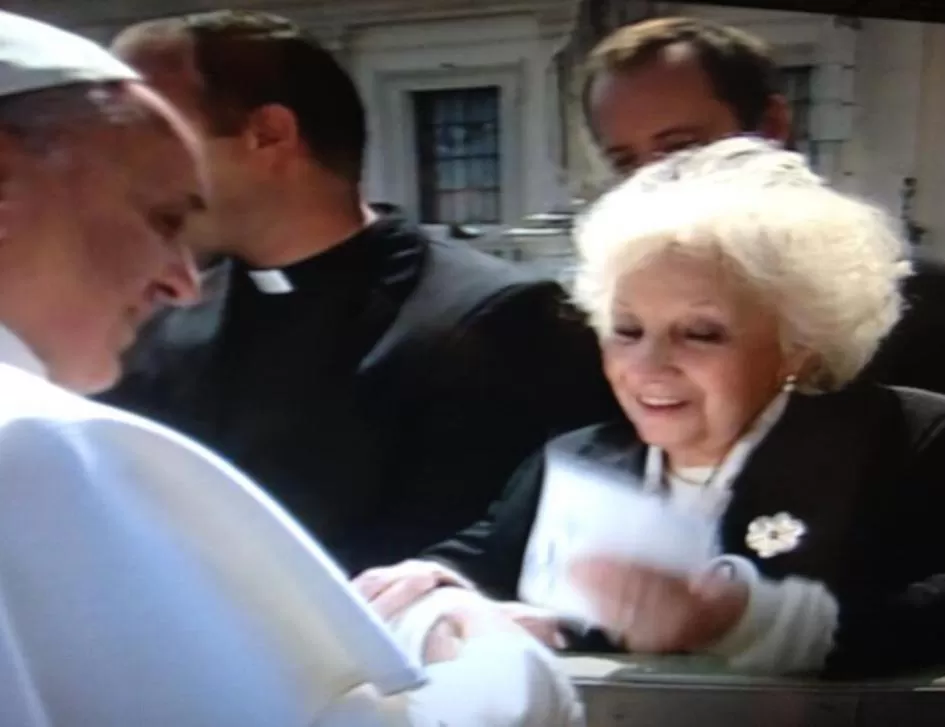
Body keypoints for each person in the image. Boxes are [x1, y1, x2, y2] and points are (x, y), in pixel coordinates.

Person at [0, 10, 582, 725]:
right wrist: (504, 662)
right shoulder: (37, 446)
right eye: (158, 216)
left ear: (272, 132)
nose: (180, 280)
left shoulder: (489, 313)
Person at [358, 137, 945, 679]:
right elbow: (459, 570)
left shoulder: (908, 443)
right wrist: (445, 604)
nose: (647, 365)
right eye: (627, 330)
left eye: (700, 333)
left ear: (798, 346)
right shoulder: (575, 459)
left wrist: (739, 620)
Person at [99, 10, 617, 575]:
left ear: (269, 134)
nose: (119, 167)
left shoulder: (495, 320)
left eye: (153, 132)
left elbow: (494, 555)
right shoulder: (158, 315)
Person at [576, 15, 945, 402]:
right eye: (626, 162)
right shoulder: (581, 327)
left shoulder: (917, 301)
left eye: (681, 148)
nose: (651, 180)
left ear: (770, 127)